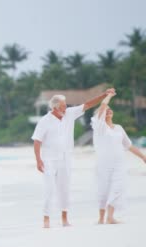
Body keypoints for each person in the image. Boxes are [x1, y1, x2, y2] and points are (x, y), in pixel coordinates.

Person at [32, 88, 116, 228]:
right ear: (55, 107)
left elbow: (88, 104)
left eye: (65, 105)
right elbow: (37, 141)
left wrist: (104, 95)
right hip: (49, 160)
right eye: (63, 105)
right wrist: (38, 160)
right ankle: (46, 219)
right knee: (49, 189)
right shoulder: (45, 121)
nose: (66, 107)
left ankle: (65, 219)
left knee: (64, 189)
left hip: (66, 159)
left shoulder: (69, 114)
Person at [91, 94, 146, 224]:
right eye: (106, 110)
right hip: (104, 164)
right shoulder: (100, 127)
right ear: (101, 113)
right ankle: (101, 218)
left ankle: (110, 217)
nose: (109, 110)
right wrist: (108, 96)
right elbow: (103, 106)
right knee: (103, 189)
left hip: (119, 164)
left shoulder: (119, 128)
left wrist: (143, 157)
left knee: (117, 188)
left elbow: (129, 146)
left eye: (110, 109)